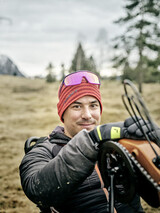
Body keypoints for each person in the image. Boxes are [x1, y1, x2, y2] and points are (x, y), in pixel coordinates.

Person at [19, 70, 159, 213]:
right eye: (77, 106)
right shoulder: (43, 150)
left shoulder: (119, 145)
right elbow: (37, 190)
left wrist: (154, 142)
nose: (87, 115)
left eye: (93, 105)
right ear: (62, 112)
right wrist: (91, 139)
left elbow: (154, 195)